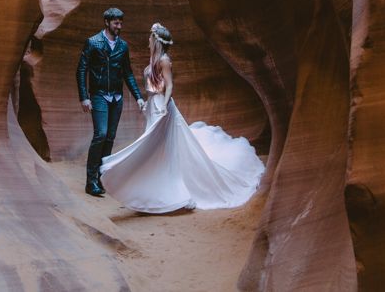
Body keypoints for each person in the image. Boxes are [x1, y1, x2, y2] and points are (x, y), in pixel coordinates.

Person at [99, 23, 264, 212]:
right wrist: (146, 103)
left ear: (157, 41)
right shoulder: (154, 60)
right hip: (153, 106)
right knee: (153, 146)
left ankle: (161, 190)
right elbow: (153, 87)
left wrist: (164, 106)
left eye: (151, 37)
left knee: (159, 147)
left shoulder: (164, 60)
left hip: (163, 107)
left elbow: (169, 85)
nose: (148, 40)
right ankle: (148, 191)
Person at [76, 7, 145, 197]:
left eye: (121, 23)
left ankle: (101, 177)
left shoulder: (123, 46)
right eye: (116, 23)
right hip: (98, 95)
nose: (119, 26)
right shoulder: (93, 42)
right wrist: (84, 96)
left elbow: (127, 73)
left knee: (110, 137)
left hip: (117, 97)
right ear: (107, 22)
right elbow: (81, 70)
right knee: (101, 134)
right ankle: (90, 182)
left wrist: (138, 96)